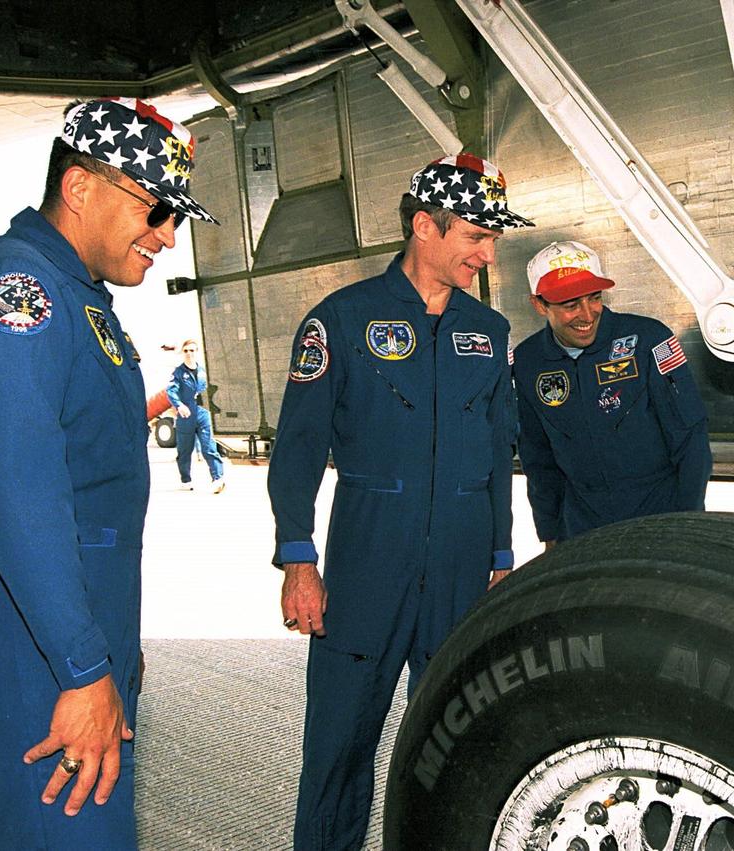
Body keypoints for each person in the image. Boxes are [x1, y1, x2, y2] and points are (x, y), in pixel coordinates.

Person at [0, 97, 218, 847]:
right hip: (28, 636)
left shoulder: (79, 297)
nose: (167, 237)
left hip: (66, 626)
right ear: (80, 188)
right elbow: (19, 497)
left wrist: (110, 637)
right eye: (154, 211)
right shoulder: (18, 298)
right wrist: (83, 665)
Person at [267, 152, 533, 850]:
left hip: (463, 562)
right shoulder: (342, 321)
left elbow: (498, 454)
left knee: (455, 741)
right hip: (367, 562)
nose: (486, 251)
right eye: (476, 235)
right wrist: (299, 558)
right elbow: (296, 450)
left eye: (491, 238)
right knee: (339, 742)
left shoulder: (491, 333)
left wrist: (501, 554)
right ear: (425, 225)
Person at [513, 240, 712, 545]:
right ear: (539, 305)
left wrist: (688, 520)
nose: (587, 314)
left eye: (594, 298)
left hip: (661, 518)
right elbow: (537, 458)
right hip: (582, 528)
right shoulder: (527, 361)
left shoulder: (649, 340)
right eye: (570, 305)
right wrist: (550, 533)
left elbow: (691, 439)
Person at [166, 339, 225, 492]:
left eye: (192, 350)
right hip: (186, 417)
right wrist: (179, 405)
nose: (189, 354)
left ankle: (218, 479)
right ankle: (186, 479)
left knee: (209, 447)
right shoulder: (178, 372)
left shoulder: (204, 372)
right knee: (185, 451)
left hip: (202, 414)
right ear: (182, 353)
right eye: (186, 351)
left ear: (197, 352)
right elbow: (171, 391)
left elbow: (212, 390)